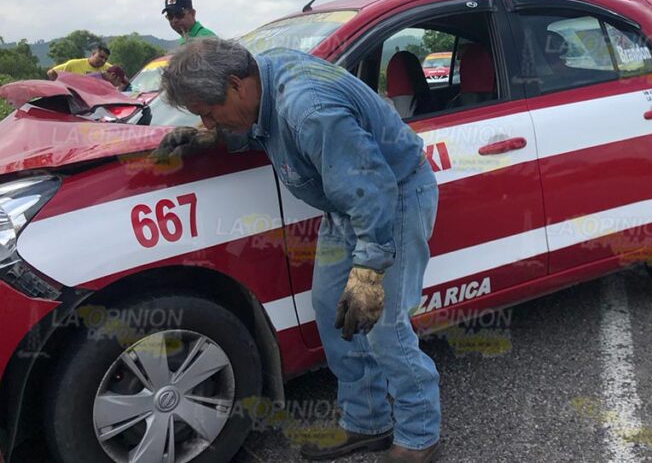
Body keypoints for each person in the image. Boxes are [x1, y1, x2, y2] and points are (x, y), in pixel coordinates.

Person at [152, 39, 442, 463]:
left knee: (384, 325)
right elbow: (255, 126)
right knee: (332, 309)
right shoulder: (261, 77)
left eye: (208, 112)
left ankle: (419, 437)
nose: (206, 119)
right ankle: (368, 422)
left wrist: (368, 273)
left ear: (236, 85)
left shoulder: (309, 110)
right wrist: (207, 138)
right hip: (346, 206)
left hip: (389, 202)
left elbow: (373, 192)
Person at [46, 45, 111, 80]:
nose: (103, 60)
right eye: (101, 57)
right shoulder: (73, 64)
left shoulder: (109, 69)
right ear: (93, 54)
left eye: (106, 59)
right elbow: (51, 73)